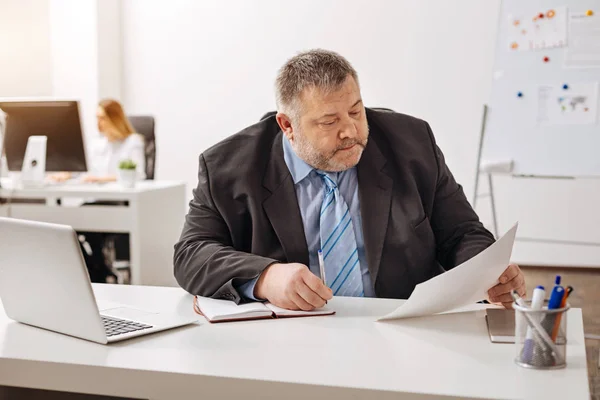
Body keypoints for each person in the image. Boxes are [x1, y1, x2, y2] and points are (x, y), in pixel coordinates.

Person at [174, 49, 526, 310]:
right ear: (287, 126)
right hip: (291, 337)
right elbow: (191, 254)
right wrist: (266, 278)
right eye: (328, 122)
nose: (351, 131)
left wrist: (485, 271)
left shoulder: (411, 142)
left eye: (356, 110)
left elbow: (462, 232)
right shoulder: (228, 167)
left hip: (402, 324)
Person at [52, 99, 146, 283]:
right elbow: (88, 170)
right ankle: (99, 271)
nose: (98, 123)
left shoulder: (132, 142)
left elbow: (138, 173)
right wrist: (68, 173)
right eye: (96, 118)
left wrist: (101, 178)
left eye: (102, 118)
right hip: (96, 199)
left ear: (114, 118)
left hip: (121, 203)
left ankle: (100, 272)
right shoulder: (98, 144)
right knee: (72, 227)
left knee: (87, 219)